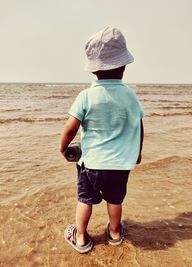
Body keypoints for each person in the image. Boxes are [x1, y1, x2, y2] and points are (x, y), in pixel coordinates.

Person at [60, 26, 144, 253]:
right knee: (115, 200)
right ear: (124, 67)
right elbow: (138, 125)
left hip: (91, 164)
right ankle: (115, 233)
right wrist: (137, 152)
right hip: (119, 164)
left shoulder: (86, 96)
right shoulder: (130, 96)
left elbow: (70, 127)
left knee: (85, 200)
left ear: (92, 70)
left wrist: (63, 147)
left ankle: (81, 238)